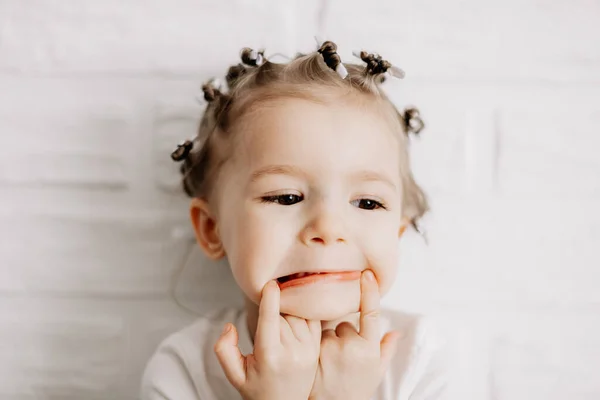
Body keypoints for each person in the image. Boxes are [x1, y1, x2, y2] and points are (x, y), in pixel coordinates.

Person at [141, 40, 451, 400]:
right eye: (286, 197)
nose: (328, 229)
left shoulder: (418, 358)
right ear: (213, 230)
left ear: (397, 232)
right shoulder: (185, 368)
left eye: (367, 202)